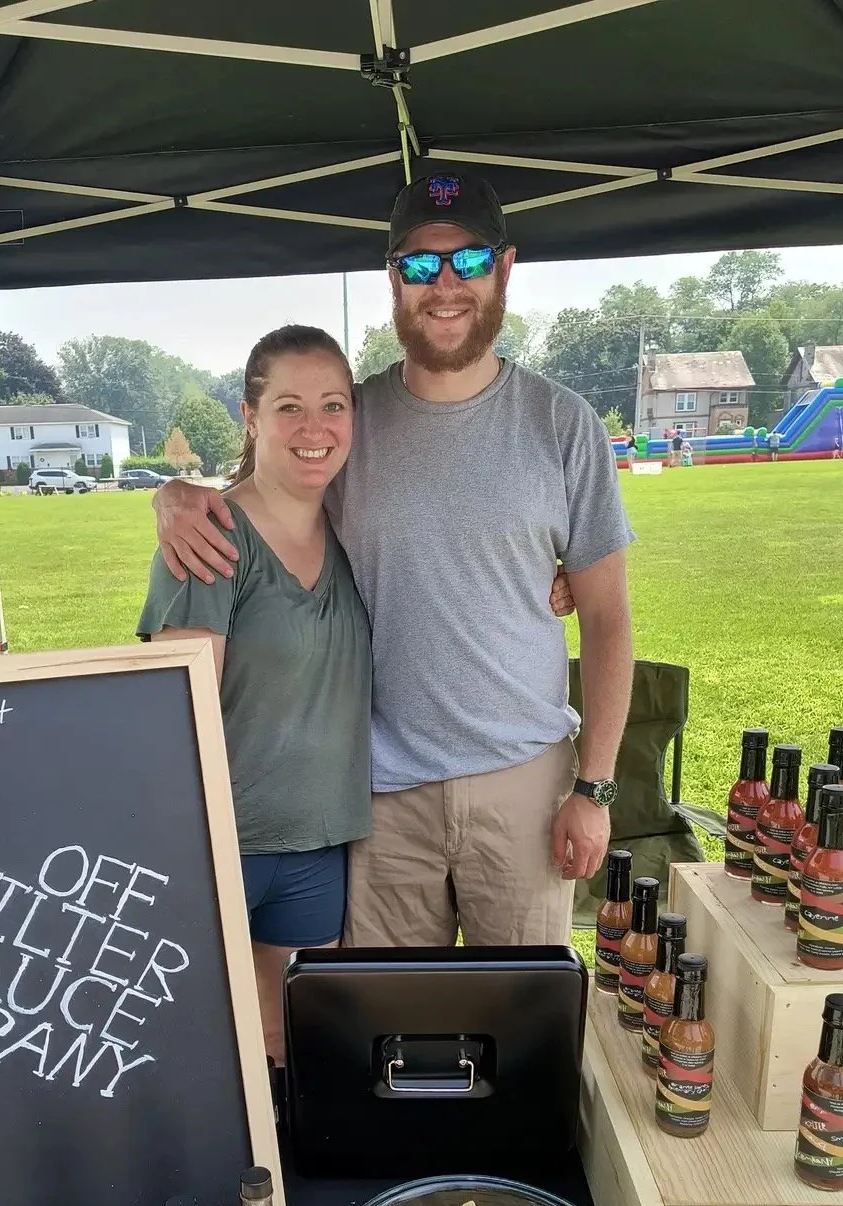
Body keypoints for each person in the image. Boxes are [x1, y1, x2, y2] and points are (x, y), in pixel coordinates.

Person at [154, 170, 634, 954]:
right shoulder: (350, 421)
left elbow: (609, 621)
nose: (444, 285)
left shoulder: (562, 424)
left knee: (520, 1014)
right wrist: (178, 496)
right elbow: (270, 493)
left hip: (524, 787)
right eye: (418, 264)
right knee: (386, 1018)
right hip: (380, 798)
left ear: (504, 268)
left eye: (468, 260)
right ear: (392, 279)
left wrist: (596, 787)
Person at [136, 326, 372, 1064]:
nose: (314, 428)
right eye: (289, 407)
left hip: (318, 843)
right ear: (250, 416)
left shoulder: (353, 530)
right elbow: (175, 721)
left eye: (333, 406)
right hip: (221, 846)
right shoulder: (208, 537)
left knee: (291, 1048)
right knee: (196, 1048)